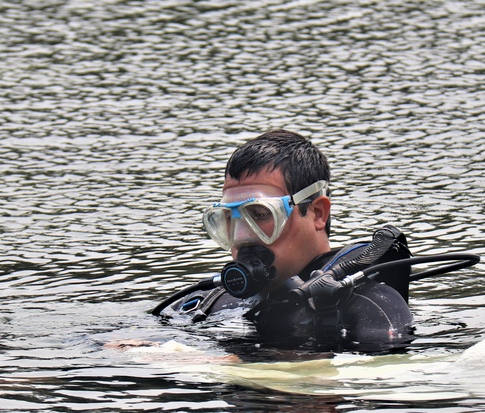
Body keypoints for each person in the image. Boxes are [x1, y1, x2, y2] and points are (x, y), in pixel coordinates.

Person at [157, 129, 415, 351]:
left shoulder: (371, 307)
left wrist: (214, 366)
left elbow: (382, 378)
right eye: (228, 219)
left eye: (260, 214)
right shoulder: (207, 303)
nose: (241, 237)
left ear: (317, 213)